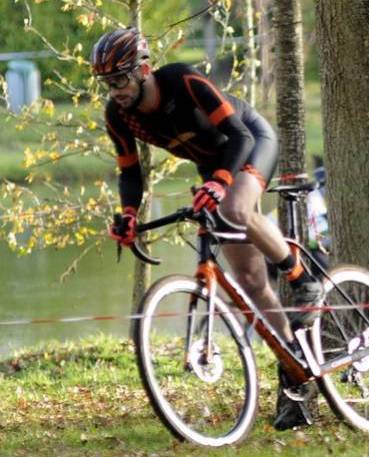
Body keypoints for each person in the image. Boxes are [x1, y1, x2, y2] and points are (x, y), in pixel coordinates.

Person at [93, 28, 322, 430]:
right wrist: (128, 214)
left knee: (235, 207)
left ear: (144, 69)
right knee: (250, 282)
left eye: (120, 80)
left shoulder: (183, 81)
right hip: (212, 167)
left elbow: (239, 134)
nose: (114, 91)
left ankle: (300, 276)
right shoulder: (119, 115)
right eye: (106, 83)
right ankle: (296, 375)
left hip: (249, 144)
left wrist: (219, 180)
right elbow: (130, 171)